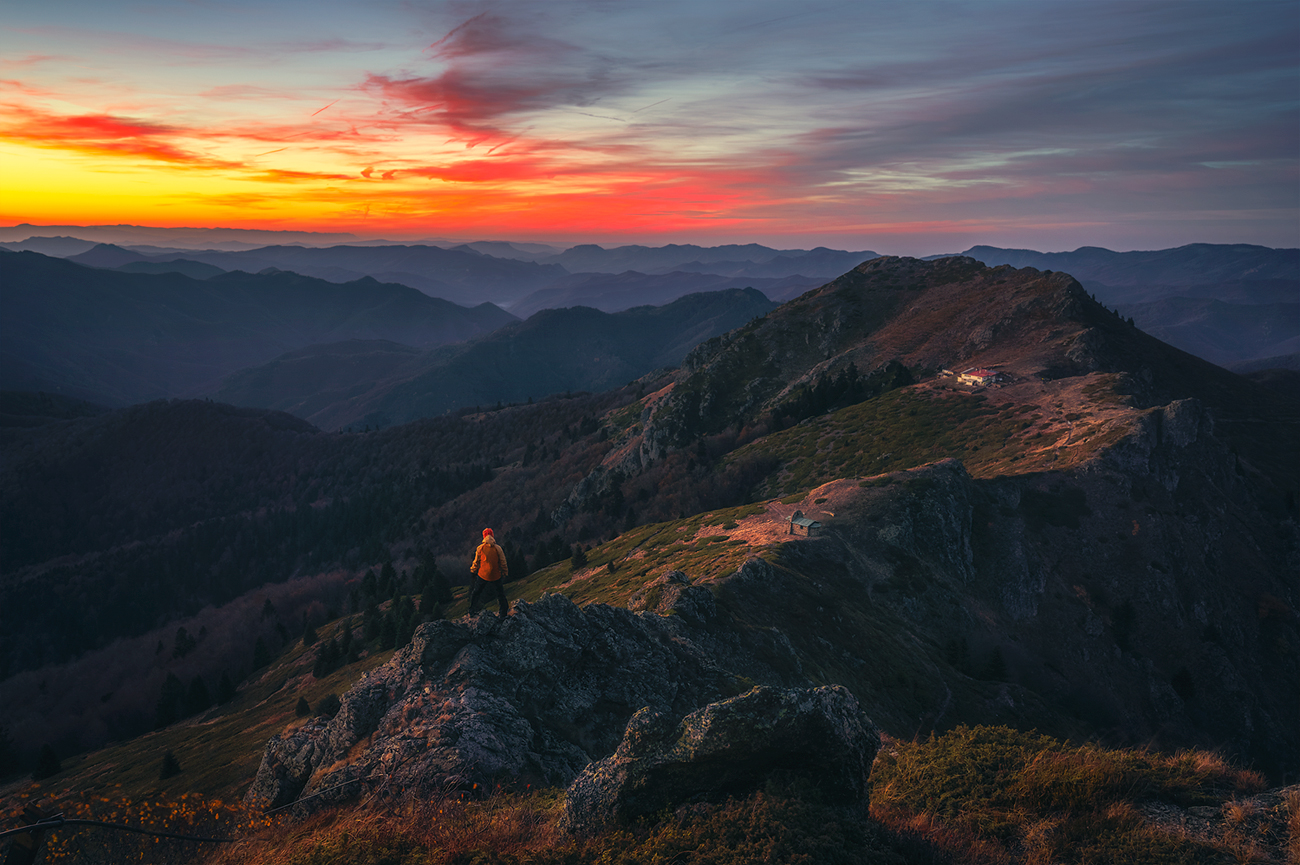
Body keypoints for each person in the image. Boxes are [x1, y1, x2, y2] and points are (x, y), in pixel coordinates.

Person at [468, 528, 510, 618]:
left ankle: (472, 610)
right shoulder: (497, 548)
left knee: (476, 592)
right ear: (492, 536)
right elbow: (503, 562)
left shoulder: (480, 548)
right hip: (496, 575)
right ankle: (503, 612)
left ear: (483, 537)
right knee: (500, 594)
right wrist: (505, 573)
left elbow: (476, 562)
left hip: (483, 575)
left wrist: (473, 571)